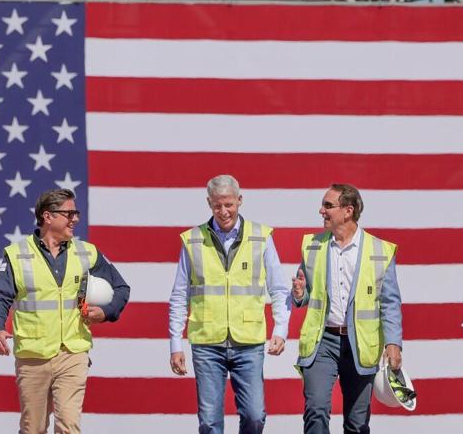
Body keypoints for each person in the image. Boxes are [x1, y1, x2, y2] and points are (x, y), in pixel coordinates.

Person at [0, 188, 131, 434]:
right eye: (69, 213)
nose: (75, 219)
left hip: (73, 353)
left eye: (76, 213)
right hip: (33, 356)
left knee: (68, 427)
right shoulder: (17, 255)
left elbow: (121, 288)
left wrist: (105, 312)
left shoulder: (87, 252)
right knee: (33, 428)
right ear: (47, 216)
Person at [168, 174, 290, 434]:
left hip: (248, 341)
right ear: (209, 203)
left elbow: (279, 288)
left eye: (229, 205)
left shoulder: (261, 237)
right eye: (217, 205)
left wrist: (280, 329)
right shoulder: (192, 240)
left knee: (255, 416)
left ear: (240, 200)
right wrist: (175, 344)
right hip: (206, 342)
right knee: (210, 422)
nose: (223, 211)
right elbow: (180, 295)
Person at [291, 183, 403, 434]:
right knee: (316, 410)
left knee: (357, 422)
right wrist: (299, 294)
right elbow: (305, 294)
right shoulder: (312, 245)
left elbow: (390, 302)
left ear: (348, 211)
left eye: (328, 205)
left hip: (360, 345)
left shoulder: (380, 251)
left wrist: (393, 343)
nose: (321, 211)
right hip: (322, 343)